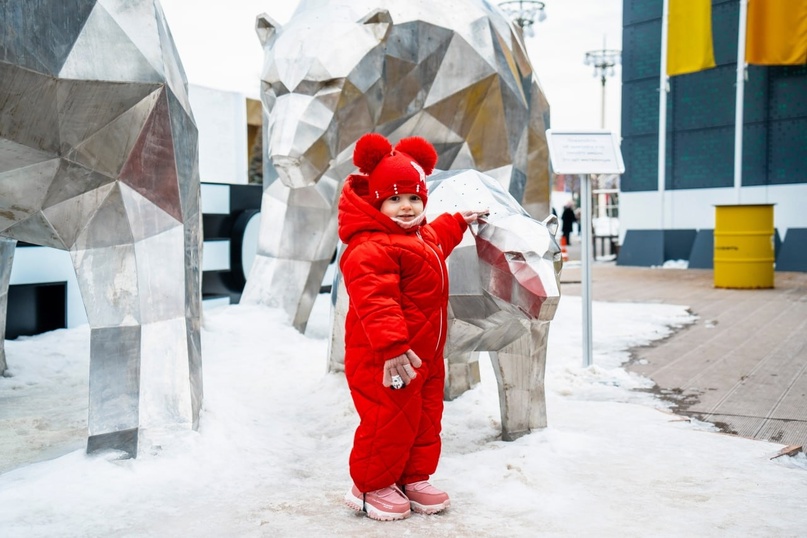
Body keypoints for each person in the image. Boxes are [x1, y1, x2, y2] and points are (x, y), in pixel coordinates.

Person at [337, 133, 486, 521]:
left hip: (424, 356)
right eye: (395, 199)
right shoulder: (371, 246)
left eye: (414, 198)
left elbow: (439, 239)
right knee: (387, 420)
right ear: (378, 201)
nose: (406, 207)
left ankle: (414, 477)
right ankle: (370, 485)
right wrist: (391, 347)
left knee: (423, 418)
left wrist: (459, 221)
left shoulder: (419, 236)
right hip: (387, 358)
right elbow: (376, 300)